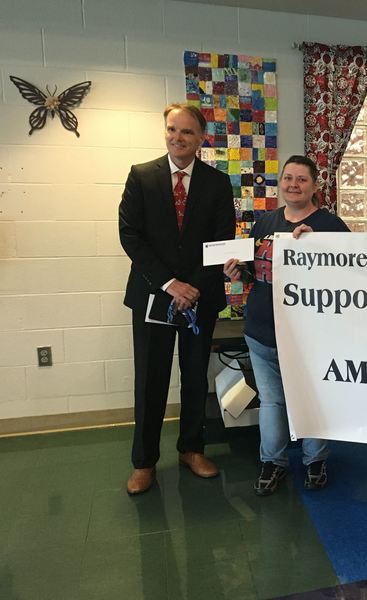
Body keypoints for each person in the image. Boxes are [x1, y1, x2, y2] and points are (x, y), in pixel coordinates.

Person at [119, 103, 235, 495]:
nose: (177, 137)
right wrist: (170, 284)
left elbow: (221, 242)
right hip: (153, 295)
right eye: (172, 129)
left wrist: (192, 288)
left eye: (186, 131)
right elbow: (130, 235)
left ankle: (191, 449)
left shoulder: (217, 183)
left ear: (201, 138)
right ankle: (144, 462)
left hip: (200, 297)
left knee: (194, 376)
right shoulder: (142, 176)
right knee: (149, 380)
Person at [223, 155, 349, 497]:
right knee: (272, 402)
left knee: (312, 397)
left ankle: (315, 460)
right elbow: (254, 273)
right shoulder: (265, 222)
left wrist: (316, 248)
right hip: (262, 330)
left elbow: (350, 276)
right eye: (288, 178)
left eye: (302, 179)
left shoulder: (331, 226)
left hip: (311, 334)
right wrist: (237, 273)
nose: (293, 185)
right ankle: (273, 462)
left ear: (315, 185)